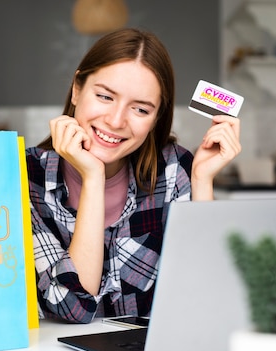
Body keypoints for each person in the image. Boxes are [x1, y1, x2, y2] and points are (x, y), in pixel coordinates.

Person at [26, 28, 241, 324]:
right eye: (104, 96)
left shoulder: (174, 170)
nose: (115, 121)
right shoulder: (25, 177)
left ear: (155, 119)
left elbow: (207, 297)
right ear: (77, 89)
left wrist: (201, 180)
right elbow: (73, 307)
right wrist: (93, 177)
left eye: (140, 109)